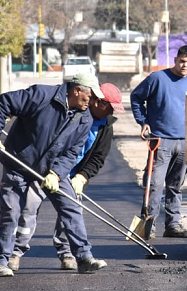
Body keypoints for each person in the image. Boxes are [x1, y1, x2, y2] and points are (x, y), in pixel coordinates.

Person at [0, 73, 106, 277]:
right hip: (18, 165)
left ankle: (84, 258)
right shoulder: (41, 95)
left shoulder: (85, 118)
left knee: (71, 207)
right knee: (11, 212)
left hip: (50, 170)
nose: (92, 102)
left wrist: (56, 174)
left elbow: (71, 152)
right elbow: (5, 101)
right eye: (90, 97)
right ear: (77, 90)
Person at [8, 82, 126, 271]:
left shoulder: (105, 126)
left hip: (70, 175)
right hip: (44, 170)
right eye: (110, 107)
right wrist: (51, 172)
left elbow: (98, 157)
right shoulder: (74, 114)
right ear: (98, 102)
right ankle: (15, 253)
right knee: (28, 209)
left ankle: (71, 255)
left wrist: (81, 177)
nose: (111, 112)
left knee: (71, 213)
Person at [130, 45, 187, 239]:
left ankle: (173, 225)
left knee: (176, 185)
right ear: (175, 60)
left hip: (185, 141)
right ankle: (148, 225)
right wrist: (143, 122)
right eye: (182, 61)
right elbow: (136, 97)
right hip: (160, 141)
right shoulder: (157, 78)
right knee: (154, 184)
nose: (184, 65)